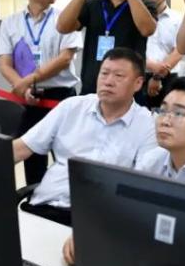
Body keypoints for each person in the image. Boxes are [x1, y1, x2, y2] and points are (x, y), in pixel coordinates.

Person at [62, 76, 185, 265]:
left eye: (179, 113)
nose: (165, 120)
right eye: (163, 110)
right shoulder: (154, 159)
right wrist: (88, 232)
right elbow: (122, 205)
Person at [12, 48, 157, 226]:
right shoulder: (72, 107)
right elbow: (21, 148)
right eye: (104, 73)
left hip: (97, 221)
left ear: (138, 83)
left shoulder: (147, 125)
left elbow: (143, 188)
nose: (108, 82)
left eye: (118, 76)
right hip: (43, 206)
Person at [0, 0, 82, 183]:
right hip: (28, 98)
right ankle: (34, 198)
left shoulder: (66, 19)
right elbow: (5, 63)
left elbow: (65, 59)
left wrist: (28, 80)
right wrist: (22, 86)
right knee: (32, 158)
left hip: (60, 97)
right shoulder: (11, 22)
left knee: (66, 158)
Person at [56, 0, 155, 101]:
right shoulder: (92, 5)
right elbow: (62, 27)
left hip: (129, 92)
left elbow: (147, 29)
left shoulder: (144, 5)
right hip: (92, 90)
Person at [140, 0, 183, 105]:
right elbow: (133, 47)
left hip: (169, 78)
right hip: (139, 75)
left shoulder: (178, 19)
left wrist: (157, 76)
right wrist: (152, 67)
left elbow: (179, 51)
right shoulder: (137, 18)